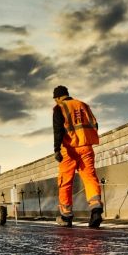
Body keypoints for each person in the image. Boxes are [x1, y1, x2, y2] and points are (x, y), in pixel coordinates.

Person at [52, 85, 103, 228]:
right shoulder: (83, 105)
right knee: (90, 178)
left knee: (65, 182)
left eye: (55, 99)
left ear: (58, 97)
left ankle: (66, 217)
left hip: (69, 150)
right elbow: (95, 125)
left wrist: (56, 149)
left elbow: (58, 130)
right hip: (86, 147)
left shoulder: (59, 108)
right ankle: (96, 210)